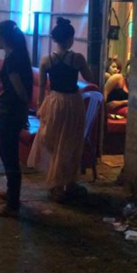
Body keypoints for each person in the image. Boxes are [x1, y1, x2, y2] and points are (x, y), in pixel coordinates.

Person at [28, 18, 94, 203]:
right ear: (71, 39)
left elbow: (42, 87)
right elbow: (90, 78)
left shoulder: (46, 60)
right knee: (72, 143)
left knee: (54, 142)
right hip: (73, 102)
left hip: (55, 102)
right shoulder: (77, 59)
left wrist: (40, 107)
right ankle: (70, 184)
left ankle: (57, 185)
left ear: (55, 39)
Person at [0, 21, 33, 218]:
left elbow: (20, 91)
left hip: (11, 112)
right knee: (6, 152)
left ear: (3, 37)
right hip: (11, 111)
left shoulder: (13, 59)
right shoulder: (16, 55)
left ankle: (12, 205)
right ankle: (11, 194)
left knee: (9, 155)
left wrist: (23, 111)